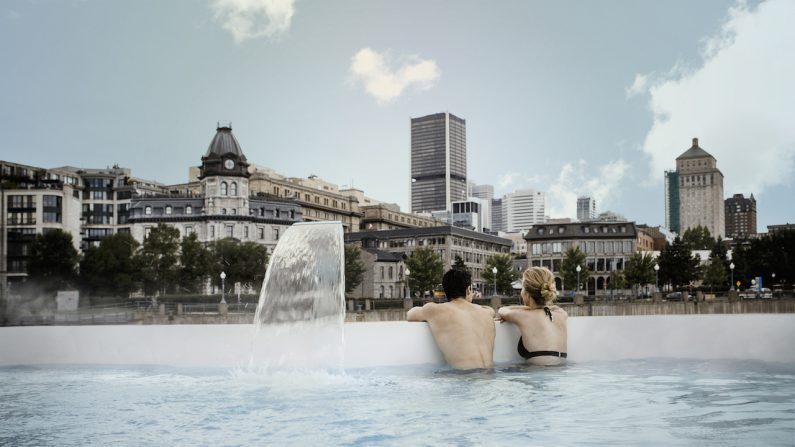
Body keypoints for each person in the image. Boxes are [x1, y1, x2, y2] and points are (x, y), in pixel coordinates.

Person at [407, 269, 496, 370]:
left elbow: (410, 314)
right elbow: (491, 311)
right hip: (490, 376)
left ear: (446, 291)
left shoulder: (435, 310)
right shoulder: (485, 313)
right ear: (468, 290)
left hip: (463, 378)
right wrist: (468, 302)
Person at [498, 267, 567, 366]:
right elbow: (558, 310)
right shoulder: (561, 315)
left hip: (538, 376)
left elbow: (502, 310)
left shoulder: (523, 316)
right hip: (562, 373)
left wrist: (525, 308)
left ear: (527, 293)